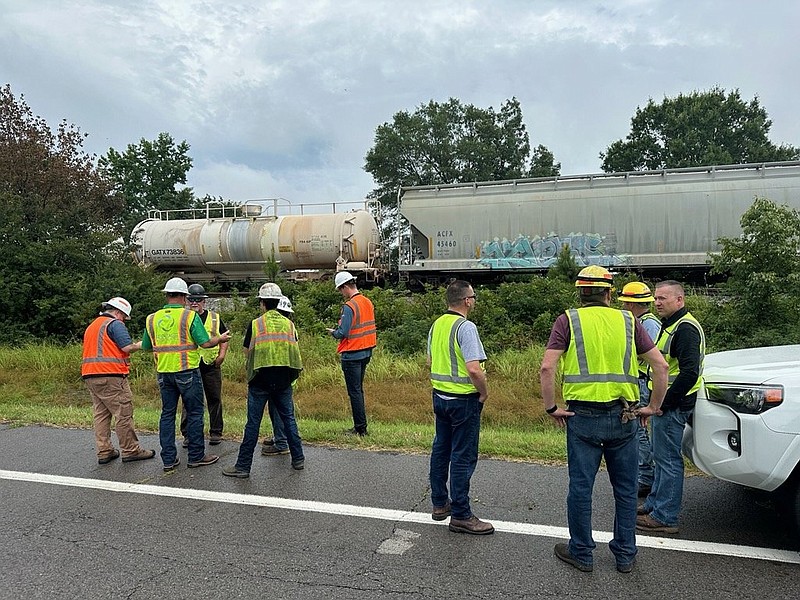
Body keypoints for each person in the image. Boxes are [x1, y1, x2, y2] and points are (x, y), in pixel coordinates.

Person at [540, 266, 668, 573]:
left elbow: (547, 368)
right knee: (625, 490)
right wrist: (652, 407)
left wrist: (551, 408)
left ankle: (582, 552)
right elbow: (660, 367)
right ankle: (625, 554)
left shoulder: (567, 320)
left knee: (581, 487)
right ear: (610, 293)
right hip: (624, 416)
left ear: (581, 292)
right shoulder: (628, 321)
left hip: (581, 417)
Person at [141, 277, 231, 472]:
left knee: (167, 414)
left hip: (164, 373)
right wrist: (220, 339)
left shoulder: (152, 318)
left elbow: (147, 347)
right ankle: (196, 456)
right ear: (184, 296)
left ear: (167, 295)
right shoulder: (189, 317)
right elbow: (205, 343)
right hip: (187, 371)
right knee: (195, 412)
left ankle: (168, 460)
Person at [637, 280, 705, 535]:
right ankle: (654, 505)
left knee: (668, 460)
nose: (657, 303)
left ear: (680, 300)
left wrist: (662, 404)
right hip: (667, 403)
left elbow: (688, 373)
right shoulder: (671, 325)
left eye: (663, 298)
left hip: (672, 405)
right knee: (660, 455)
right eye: (656, 298)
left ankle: (664, 516)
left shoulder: (685, 328)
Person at [428, 280, 494, 535]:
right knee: (463, 457)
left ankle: (439, 503)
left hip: (440, 397)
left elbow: (430, 360)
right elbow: (473, 368)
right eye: (473, 297)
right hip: (463, 400)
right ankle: (462, 514)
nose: (474, 301)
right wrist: (484, 393)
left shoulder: (437, 325)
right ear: (467, 300)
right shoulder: (465, 327)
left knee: (441, 450)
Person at [223, 283, 305, 478]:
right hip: (284, 379)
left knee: (253, 423)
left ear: (262, 303)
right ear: (278, 302)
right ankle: (298, 458)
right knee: (289, 419)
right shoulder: (289, 324)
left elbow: (246, 351)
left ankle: (243, 467)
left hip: (260, 380)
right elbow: (294, 349)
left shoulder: (256, 324)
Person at [81, 297, 156, 465]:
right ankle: (131, 450)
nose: (124, 320)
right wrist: (140, 345)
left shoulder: (93, 325)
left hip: (90, 375)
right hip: (111, 375)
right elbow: (126, 347)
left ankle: (104, 450)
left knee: (101, 414)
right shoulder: (114, 324)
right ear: (117, 312)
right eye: (124, 316)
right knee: (123, 413)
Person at [618, 281, 662, 498]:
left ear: (632, 303)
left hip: (643, 382)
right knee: (638, 430)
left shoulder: (648, 324)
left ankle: (645, 477)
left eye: (626, 302)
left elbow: (649, 354)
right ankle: (643, 474)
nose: (624, 305)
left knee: (640, 430)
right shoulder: (642, 321)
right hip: (639, 381)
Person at [326, 271, 376, 436]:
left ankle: (360, 428)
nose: (341, 293)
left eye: (341, 290)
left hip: (352, 354)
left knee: (354, 391)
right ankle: (361, 426)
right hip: (366, 352)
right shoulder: (367, 302)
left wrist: (333, 332)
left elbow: (343, 332)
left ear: (345, 287)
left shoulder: (349, 306)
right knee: (358, 390)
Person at [179, 283, 229, 448]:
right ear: (187, 300)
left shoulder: (215, 317)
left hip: (211, 364)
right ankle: (188, 434)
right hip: (190, 365)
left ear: (204, 301)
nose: (194, 303)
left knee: (214, 398)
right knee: (189, 400)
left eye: (198, 299)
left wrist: (222, 355)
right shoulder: (184, 318)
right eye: (191, 299)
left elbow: (225, 337)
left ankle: (216, 432)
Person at [261, 295, 295, 456]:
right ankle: (279, 437)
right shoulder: (290, 327)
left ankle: (282, 442)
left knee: (279, 410)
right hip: (286, 376)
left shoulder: (280, 327)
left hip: (277, 376)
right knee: (279, 410)